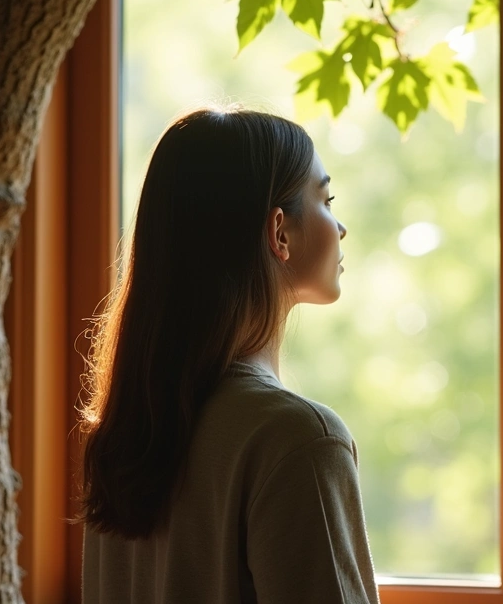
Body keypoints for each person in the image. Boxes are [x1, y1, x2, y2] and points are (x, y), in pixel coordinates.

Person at [77, 107, 379, 603]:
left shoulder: (127, 437)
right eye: (326, 199)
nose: (340, 226)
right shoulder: (296, 440)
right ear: (279, 232)